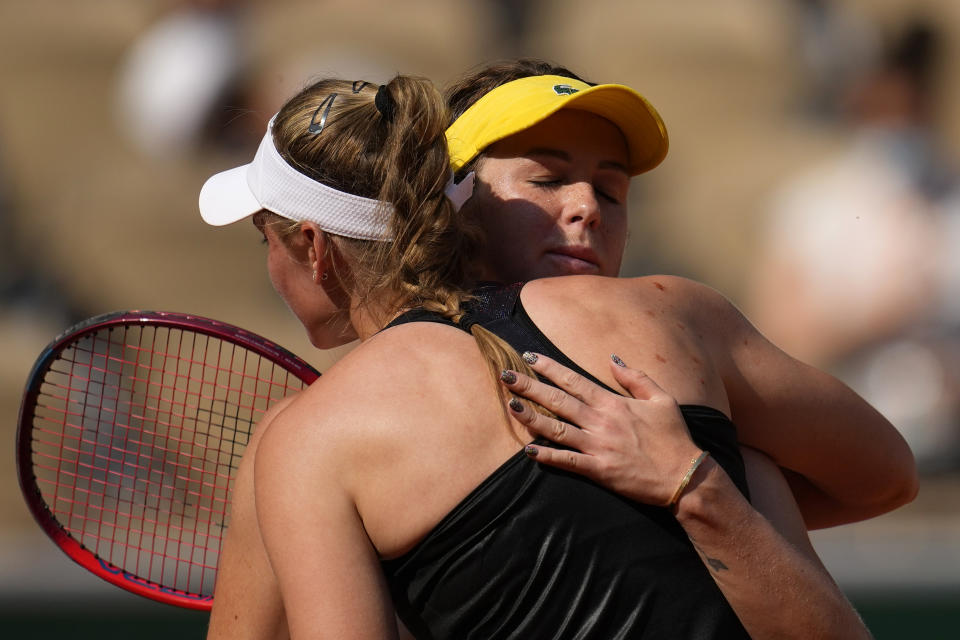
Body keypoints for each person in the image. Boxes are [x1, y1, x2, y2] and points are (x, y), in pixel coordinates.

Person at [199, 70, 900, 639]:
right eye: (545, 179)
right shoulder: (691, 352)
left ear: (315, 248)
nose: (585, 208)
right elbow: (884, 478)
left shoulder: (308, 439)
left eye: (610, 187)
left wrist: (694, 490)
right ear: (456, 203)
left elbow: (884, 478)